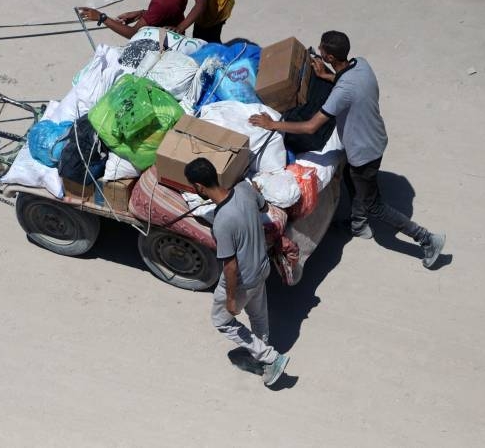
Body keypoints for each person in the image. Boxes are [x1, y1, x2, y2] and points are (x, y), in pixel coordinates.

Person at [248, 31, 447, 269]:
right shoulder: (361, 65)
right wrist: (326, 75)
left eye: (322, 51)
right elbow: (347, 83)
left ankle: (427, 239)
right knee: (354, 181)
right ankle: (358, 225)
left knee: (374, 203)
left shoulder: (343, 91)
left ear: (330, 56)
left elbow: (311, 127)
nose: (319, 54)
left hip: (365, 152)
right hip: (374, 137)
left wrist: (273, 124)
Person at [184, 158, 290, 387]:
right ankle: (261, 354)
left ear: (199, 187)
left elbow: (230, 265)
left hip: (243, 279)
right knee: (258, 315)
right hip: (262, 267)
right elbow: (263, 207)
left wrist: (231, 298)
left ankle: (270, 358)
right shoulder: (244, 188)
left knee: (222, 320)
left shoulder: (222, 221)